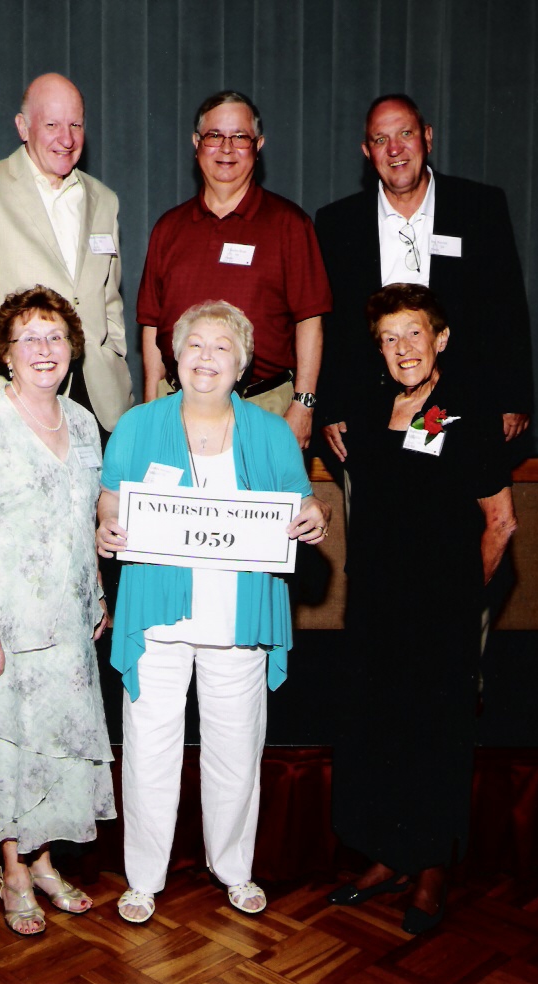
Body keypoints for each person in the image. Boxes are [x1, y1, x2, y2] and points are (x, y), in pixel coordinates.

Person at [97, 300, 331, 923]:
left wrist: (315, 518)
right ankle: (143, 878)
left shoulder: (271, 432)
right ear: (175, 357)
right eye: (195, 344)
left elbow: (304, 505)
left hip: (239, 618)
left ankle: (235, 869)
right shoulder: (137, 426)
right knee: (149, 750)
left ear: (244, 363)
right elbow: (109, 504)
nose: (206, 357)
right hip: (159, 617)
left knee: (235, 751)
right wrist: (106, 529)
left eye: (221, 347)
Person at [328, 283, 517, 934]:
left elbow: (500, 520)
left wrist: (464, 594)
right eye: (389, 337)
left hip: (441, 611)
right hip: (378, 605)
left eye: (414, 334)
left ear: (440, 339)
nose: (402, 348)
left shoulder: (464, 408)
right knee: (383, 728)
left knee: (437, 734)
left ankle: (433, 869)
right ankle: (391, 854)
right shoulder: (373, 403)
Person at [0, 285, 114, 936]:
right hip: (1, 622)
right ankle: (11, 870)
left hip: (65, 621)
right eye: (28, 338)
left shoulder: (86, 424)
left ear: (72, 351)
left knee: (56, 747)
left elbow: (85, 518)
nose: (43, 349)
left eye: (55, 337)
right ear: (6, 354)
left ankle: (42, 860)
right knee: (8, 750)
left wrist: (96, 592)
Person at [315, 93, 533, 468]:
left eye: (406, 134)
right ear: (367, 151)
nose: (394, 149)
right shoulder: (338, 223)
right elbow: (327, 325)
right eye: (381, 140)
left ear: (427, 138)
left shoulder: (479, 208)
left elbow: (507, 307)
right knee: (380, 521)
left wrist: (513, 398)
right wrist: (329, 405)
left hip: (466, 402)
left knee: (457, 521)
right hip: (368, 411)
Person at [138, 91, 332, 449]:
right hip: (176, 407)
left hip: (264, 406)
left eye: (239, 137)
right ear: (197, 143)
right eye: (214, 136)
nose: (226, 148)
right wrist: (152, 403)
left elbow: (310, 320)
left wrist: (304, 406)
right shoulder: (168, 228)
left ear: (258, 145)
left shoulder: (290, 224)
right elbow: (152, 323)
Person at [0, 72, 133, 434]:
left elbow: (110, 300)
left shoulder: (104, 200)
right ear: (23, 127)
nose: (66, 138)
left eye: (75, 124)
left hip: (97, 400)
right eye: (52, 124)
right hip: (12, 406)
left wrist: (114, 357)